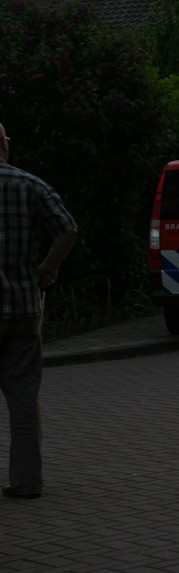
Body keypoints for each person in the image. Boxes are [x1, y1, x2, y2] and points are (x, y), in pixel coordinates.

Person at [0, 123, 77, 499]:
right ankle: (27, 482)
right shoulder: (29, 184)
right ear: (3, 145)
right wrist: (48, 268)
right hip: (22, 309)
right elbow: (67, 229)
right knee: (24, 400)